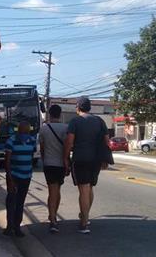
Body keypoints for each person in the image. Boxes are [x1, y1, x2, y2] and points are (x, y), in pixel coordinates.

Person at [63, 96, 109, 234]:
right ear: (89, 107)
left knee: (83, 189)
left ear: (78, 107)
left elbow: (70, 142)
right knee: (90, 188)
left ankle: (84, 224)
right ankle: (86, 217)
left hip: (80, 159)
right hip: (95, 160)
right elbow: (106, 141)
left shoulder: (75, 121)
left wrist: (65, 157)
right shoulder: (100, 121)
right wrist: (105, 159)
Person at [3, 121, 37, 237]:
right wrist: (10, 178)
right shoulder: (11, 141)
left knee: (20, 202)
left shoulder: (32, 141)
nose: (25, 133)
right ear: (19, 131)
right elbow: (7, 161)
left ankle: (17, 227)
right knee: (11, 201)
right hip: (14, 176)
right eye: (23, 131)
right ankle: (9, 226)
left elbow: (31, 157)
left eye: (26, 131)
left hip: (26, 177)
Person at [39, 104, 67, 233]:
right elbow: (68, 147)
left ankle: (53, 219)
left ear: (49, 114)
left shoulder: (44, 129)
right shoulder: (66, 128)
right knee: (58, 190)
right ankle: (54, 214)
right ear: (60, 114)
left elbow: (42, 148)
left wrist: (44, 160)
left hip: (49, 163)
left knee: (52, 191)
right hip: (61, 164)